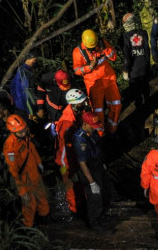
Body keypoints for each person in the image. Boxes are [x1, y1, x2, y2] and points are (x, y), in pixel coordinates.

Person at [3, 114, 50, 227]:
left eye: (24, 130)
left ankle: (44, 219)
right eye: (21, 132)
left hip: (34, 174)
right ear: (12, 131)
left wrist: (39, 163)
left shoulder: (24, 136)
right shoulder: (10, 147)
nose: (24, 133)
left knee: (42, 197)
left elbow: (32, 150)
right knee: (29, 204)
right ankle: (28, 228)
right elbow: (13, 171)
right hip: (25, 179)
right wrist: (22, 191)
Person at [72, 29, 121, 135]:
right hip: (93, 84)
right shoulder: (78, 52)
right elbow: (76, 70)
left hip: (108, 79)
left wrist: (106, 50)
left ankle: (112, 129)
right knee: (97, 111)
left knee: (116, 104)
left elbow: (113, 57)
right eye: (91, 47)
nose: (94, 48)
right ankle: (100, 134)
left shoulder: (102, 43)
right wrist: (90, 67)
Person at [55, 88, 90, 217]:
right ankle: (75, 210)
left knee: (79, 182)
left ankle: (81, 204)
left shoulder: (75, 116)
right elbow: (62, 146)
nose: (84, 103)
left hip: (74, 156)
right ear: (75, 104)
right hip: (67, 160)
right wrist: (66, 165)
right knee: (71, 184)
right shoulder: (67, 122)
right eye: (82, 102)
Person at [72, 111, 109, 231]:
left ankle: (100, 216)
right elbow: (82, 163)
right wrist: (92, 182)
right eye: (93, 127)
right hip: (89, 170)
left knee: (102, 193)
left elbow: (97, 148)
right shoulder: (80, 140)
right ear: (85, 125)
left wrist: (102, 164)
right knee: (94, 196)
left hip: (97, 166)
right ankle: (94, 222)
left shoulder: (92, 133)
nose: (95, 129)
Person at [121, 13, 150, 107]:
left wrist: (126, 70)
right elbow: (147, 51)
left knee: (136, 93)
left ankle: (140, 112)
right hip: (144, 66)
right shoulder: (144, 33)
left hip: (134, 70)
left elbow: (127, 56)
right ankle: (148, 106)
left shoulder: (125, 37)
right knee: (146, 89)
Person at [10, 50, 40, 121]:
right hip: (24, 107)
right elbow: (26, 91)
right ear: (28, 59)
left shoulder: (22, 69)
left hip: (19, 104)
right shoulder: (24, 71)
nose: (35, 62)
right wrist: (30, 111)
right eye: (34, 60)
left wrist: (14, 98)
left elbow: (12, 85)